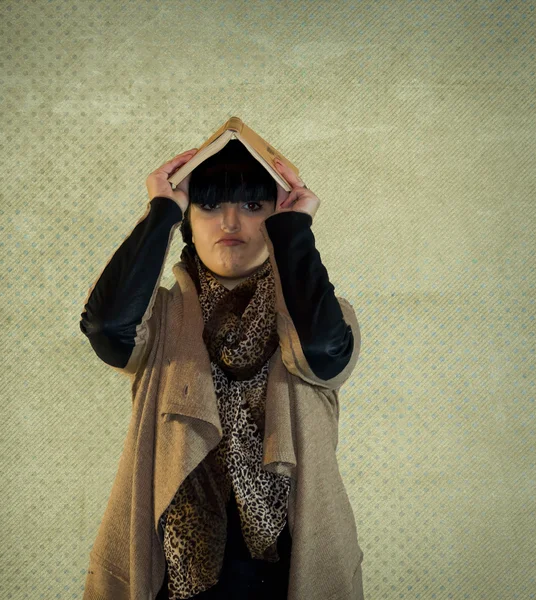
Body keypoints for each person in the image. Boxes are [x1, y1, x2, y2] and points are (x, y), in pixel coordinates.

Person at [79, 139, 364, 599]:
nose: (230, 222)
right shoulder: (159, 318)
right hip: (171, 573)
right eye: (209, 206)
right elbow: (108, 326)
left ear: (275, 216)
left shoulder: (328, 314)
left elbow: (320, 350)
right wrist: (160, 211)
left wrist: (294, 228)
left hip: (292, 568)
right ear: (188, 221)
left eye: (253, 204)